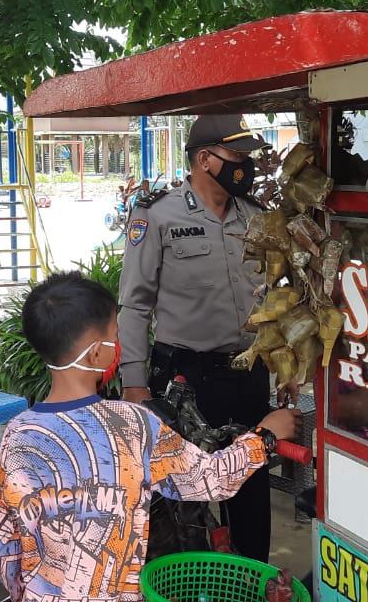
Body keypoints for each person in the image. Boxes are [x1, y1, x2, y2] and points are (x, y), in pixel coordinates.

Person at [0, 271, 299, 602]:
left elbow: (7, 544)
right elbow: (210, 479)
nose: (119, 345)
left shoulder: (17, 434)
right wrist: (265, 436)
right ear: (98, 354)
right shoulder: (133, 425)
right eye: (115, 336)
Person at [115, 113, 289, 563]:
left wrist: (283, 365)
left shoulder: (255, 217)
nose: (245, 165)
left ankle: (251, 581)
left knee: (250, 488)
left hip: (248, 374)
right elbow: (134, 305)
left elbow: (272, 300)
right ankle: (191, 582)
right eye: (237, 156)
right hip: (187, 382)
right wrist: (134, 383)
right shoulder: (157, 215)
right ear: (204, 159)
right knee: (185, 499)